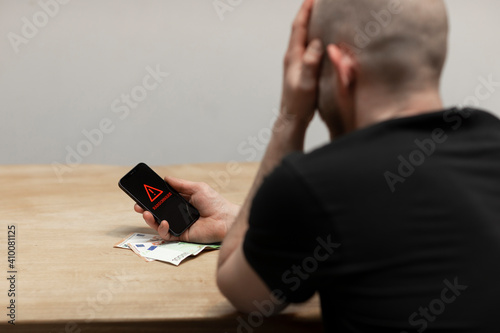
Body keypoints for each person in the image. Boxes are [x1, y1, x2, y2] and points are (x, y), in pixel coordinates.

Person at [135, 0, 500, 331]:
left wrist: (290, 118)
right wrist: (236, 222)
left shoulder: (315, 183)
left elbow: (241, 291)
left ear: (341, 70)